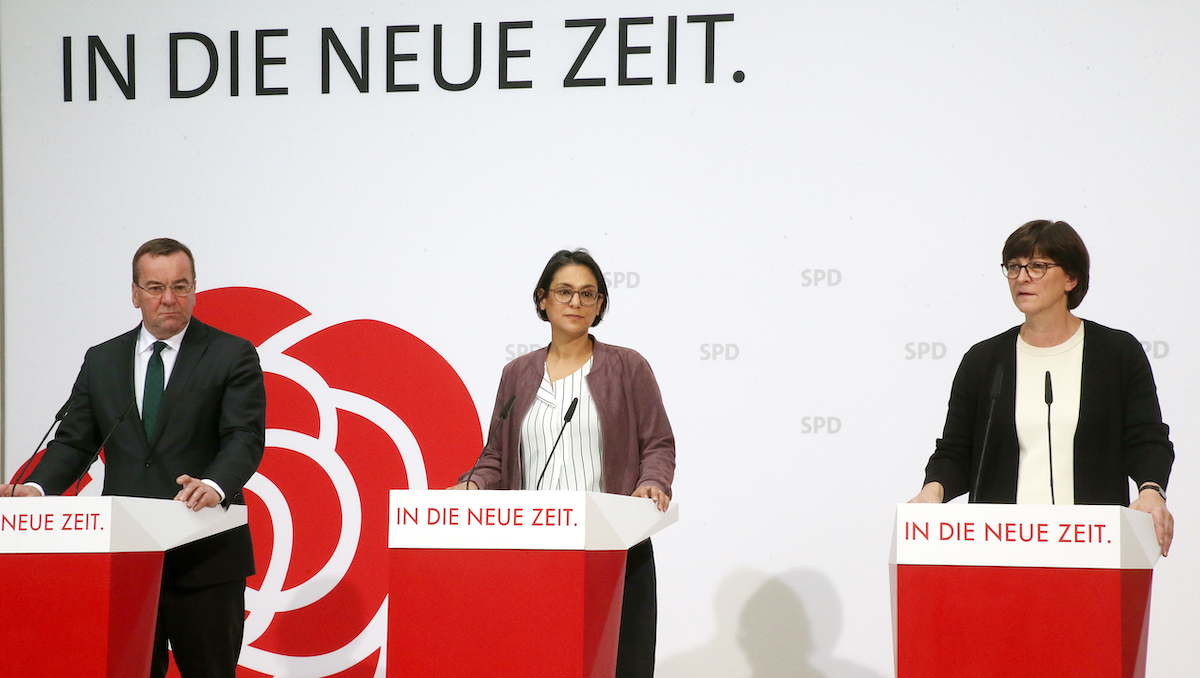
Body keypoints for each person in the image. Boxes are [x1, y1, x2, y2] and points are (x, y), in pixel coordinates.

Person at [1, 238, 266, 677]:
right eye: (156, 287)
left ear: (195, 288)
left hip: (204, 554)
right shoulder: (103, 360)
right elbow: (74, 442)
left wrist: (215, 485)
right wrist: (36, 487)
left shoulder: (231, 354)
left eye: (181, 286)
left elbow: (244, 436)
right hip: (124, 558)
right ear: (135, 293)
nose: (169, 299)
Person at [450, 248, 675, 678]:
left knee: (614, 665)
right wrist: (473, 485)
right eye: (565, 292)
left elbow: (658, 443)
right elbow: (496, 454)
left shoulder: (628, 367)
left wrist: (652, 483)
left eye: (588, 294)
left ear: (601, 305)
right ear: (542, 300)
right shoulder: (517, 373)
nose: (576, 303)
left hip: (614, 550)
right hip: (534, 552)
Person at [911, 220, 1174, 556]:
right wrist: (932, 491)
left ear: (1071, 278)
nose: (1022, 277)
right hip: (999, 550)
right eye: (1014, 266)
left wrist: (1151, 491)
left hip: (1095, 549)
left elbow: (1147, 439)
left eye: (1037, 266)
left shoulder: (1116, 353)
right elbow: (956, 452)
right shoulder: (985, 360)